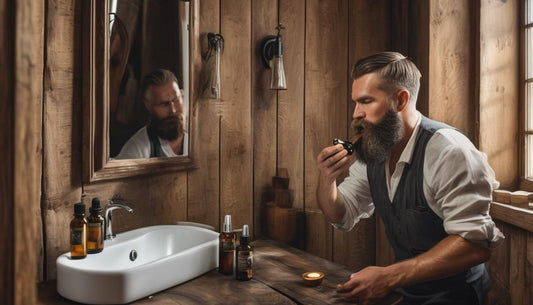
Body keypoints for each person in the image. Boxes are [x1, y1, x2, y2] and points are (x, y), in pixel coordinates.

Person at [316, 51, 504, 305]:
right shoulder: (375, 150)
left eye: (367, 101)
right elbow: (342, 214)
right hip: (405, 292)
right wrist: (327, 180)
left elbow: (474, 245)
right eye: (355, 102)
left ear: (401, 100)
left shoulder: (450, 152)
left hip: (457, 297)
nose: (356, 114)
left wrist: (387, 277)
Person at [116, 69, 188, 159]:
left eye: (176, 100)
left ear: (182, 95)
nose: (172, 110)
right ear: (148, 106)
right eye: (164, 104)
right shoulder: (137, 149)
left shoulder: (199, 136)